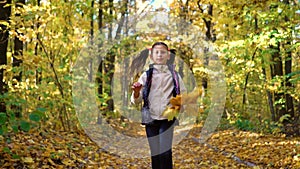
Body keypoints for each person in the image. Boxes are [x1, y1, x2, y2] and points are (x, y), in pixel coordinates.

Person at [130, 42, 186, 169]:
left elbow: (183, 95)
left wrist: (180, 106)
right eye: (157, 52)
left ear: (168, 56)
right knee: (155, 153)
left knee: (165, 152)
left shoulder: (175, 76)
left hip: (167, 118)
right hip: (150, 118)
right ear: (152, 56)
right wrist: (136, 92)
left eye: (163, 52)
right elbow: (135, 102)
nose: (160, 55)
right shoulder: (146, 76)